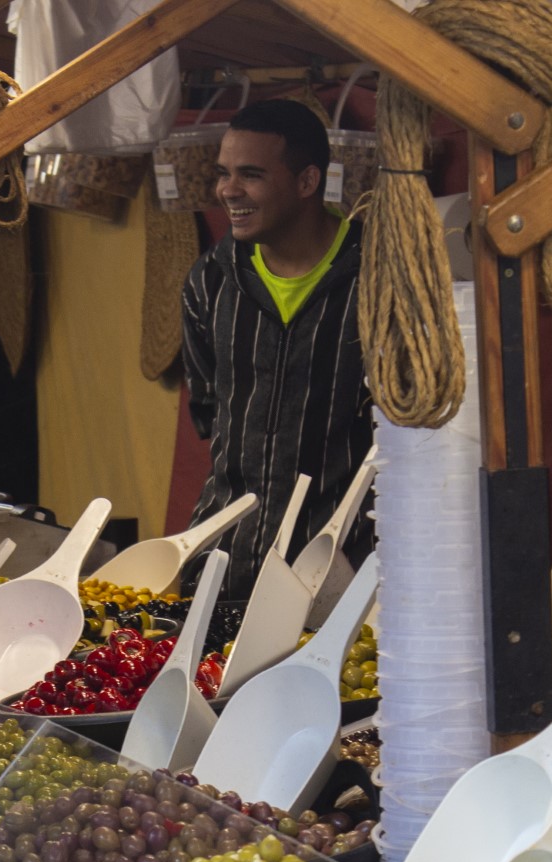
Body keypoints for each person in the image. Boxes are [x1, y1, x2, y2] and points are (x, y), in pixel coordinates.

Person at [181, 98, 372, 591]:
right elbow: (211, 411)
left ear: (307, 182)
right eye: (224, 173)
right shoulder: (210, 281)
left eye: (251, 175)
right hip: (223, 562)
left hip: (339, 569)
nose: (228, 190)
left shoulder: (380, 278)